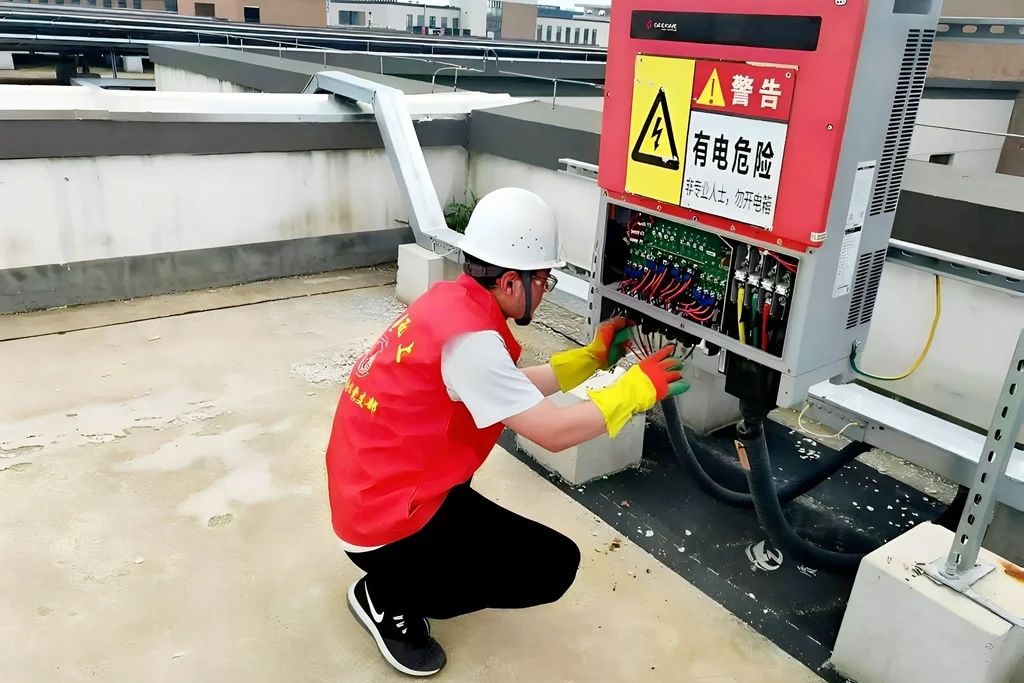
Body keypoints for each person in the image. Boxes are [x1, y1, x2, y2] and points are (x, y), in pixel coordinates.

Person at [324, 187, 689, 677]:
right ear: (513, 282)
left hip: (375, 489)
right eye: (545, 279)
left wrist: (590, 360)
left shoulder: (452, 304)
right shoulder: (471, 342)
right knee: (552, 566)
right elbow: (552, 431)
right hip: (383, 522)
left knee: (492, 538)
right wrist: (635, 391)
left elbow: (505, 391)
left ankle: (397, 573)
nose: (546, 289)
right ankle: (388, 595)